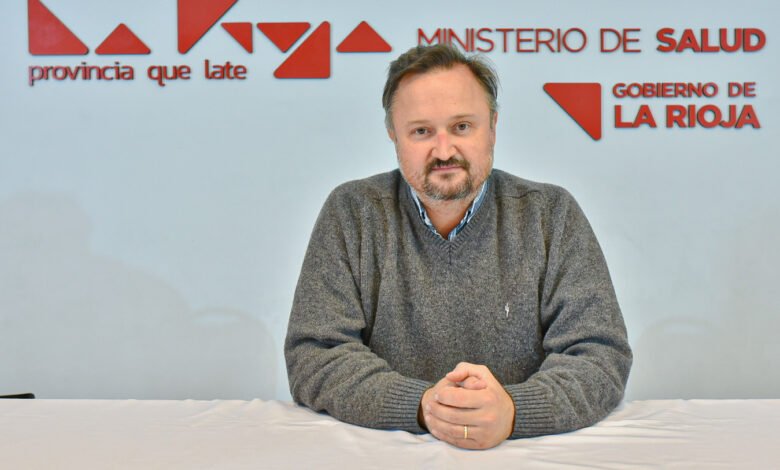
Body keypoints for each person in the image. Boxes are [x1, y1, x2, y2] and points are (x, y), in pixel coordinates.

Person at [284, 44, 632, 450]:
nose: (444, 151)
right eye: (421, 131)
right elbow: (315, 354)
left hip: (526, 455)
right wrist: (423, 405)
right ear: (393, 134)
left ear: (493, 127)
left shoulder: (550, 214)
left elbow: (600, 355)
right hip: (384, 454)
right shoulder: (353, 212)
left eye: (462, 127)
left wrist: (514, 410)